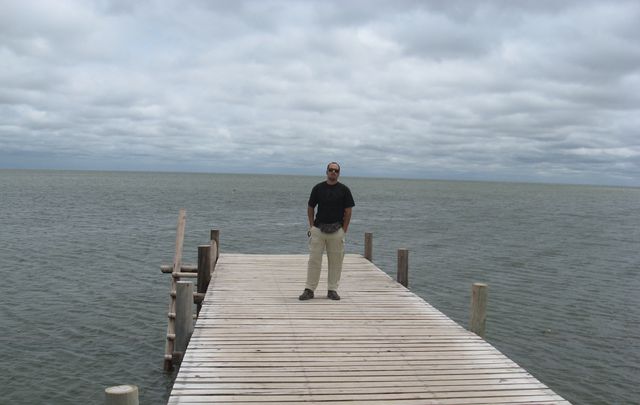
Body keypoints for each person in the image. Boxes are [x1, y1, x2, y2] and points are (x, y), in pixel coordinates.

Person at [299, 162, 355, 301]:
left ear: (339, 173)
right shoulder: (318, 188)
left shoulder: (344, 190)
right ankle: (309, 289)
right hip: (318, 229)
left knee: (336, 262)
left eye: (336, 170)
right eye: (331, 170)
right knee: (314, 261)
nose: (333, 172)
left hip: (337, 231)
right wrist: (311, 226)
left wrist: (344, 230)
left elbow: (348, 211)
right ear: (326, 172)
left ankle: (332, 290)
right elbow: (310, 207)